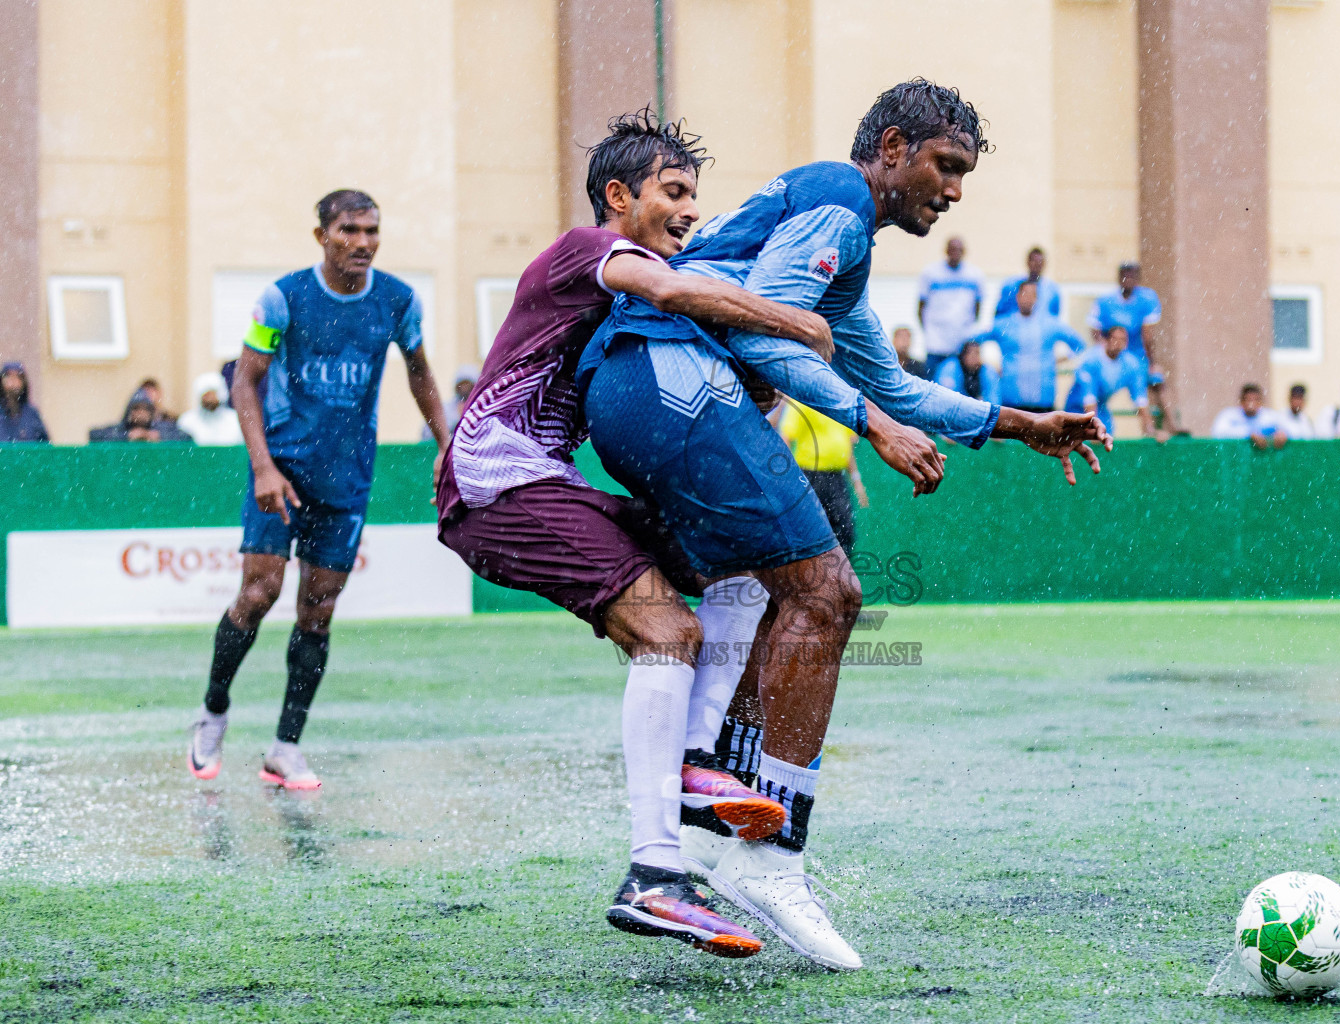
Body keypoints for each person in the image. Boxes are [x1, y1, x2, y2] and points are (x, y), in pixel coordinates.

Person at [579, 79, 1108, 971]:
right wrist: (874, 428)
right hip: (669, 381)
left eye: (965, 175)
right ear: (892, 147)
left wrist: (1020, 424)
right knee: (829, 593)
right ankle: (770, 857)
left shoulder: (838, 231)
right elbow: (766, 337)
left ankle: (714, 797)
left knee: (764, 588)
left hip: (640, 387)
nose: (954, 190)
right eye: (946, 166)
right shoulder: (840, 201)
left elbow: (894, 384)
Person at [435, 111, 895, 959]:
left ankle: (693, 770)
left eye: (695, 195)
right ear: (620, 197)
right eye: (674, 192)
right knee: (668, 630)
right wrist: (800, 323)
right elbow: (680, 293)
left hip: (548, 484)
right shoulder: (588, 250)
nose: (690, 211)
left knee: (745, 563)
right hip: (497, 487)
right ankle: (654, 875)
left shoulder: (638, 282)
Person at [186, 189, 450, 794]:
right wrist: (261, 467)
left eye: (372, 231)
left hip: (347, 480)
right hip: (280, 473)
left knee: (319, 611)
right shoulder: (283, 298)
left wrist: (446, 443)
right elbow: (244, 383)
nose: (362, 242)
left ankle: (285, 747)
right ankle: (214, 711)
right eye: (349, 230)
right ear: (322, 236)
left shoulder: (398, 301)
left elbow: (420, 373)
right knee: (258, 593)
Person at [973, 279, 1084, 413]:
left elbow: (1079, 344)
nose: (1028, 298)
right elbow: (973, 341)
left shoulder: (1050, 324)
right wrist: (988, 364)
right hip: (1011, 401)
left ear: (1037, 298)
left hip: (1043, 402)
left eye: (1032, 294)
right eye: (1024, 294)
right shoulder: (1004, 324)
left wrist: (1059, 360)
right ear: (1017, 297)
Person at [776, 398, 867, 555]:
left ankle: (840, 574)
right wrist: (788, 477)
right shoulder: (802, 400)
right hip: (810, 477)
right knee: (810, 531)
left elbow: (846, 445)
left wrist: (857, 481)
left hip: (837, 478)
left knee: (845, 529)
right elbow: (786, 437)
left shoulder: (839, 403)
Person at [1064, 326, 1154, 439]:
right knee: (1079, 440)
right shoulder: (1091, 361)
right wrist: (1092, 429)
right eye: (1115, 339)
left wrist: (1150, 431)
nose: (1118, 343)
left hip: (1101, 408)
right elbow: (1089, 399)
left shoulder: (1131, 365)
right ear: (1106, 340)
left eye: (1123, 340)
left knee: (1107, 436)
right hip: (1075, 408)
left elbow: (1141, 399)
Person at [916, 236, 986, 364]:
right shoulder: (930, 273)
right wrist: (930, 331)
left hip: (962, 344)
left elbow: (977, 307)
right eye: (952, 250)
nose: (955, 253)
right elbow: (921, 307)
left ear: (964, 252)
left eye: (959, 250)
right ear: (946, 251)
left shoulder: (975, 275)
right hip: (935, 344)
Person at [1088, 261, 1161, 364]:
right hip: (1111, 359)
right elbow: (1095, 330)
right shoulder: (1104, 301)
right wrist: (1107, 354)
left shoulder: (1147, 298)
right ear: (1119, 277)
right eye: (1125, 276)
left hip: (1138, 357)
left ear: (1138, 279)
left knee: (1155, 378)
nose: (1128, 280)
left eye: (1131, 276)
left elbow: (1147, 335)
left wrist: (1152, 362)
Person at [89, 389, 191, 442]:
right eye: (136, 409)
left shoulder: (160, 428)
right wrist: (127, 436)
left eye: (146, 409)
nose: (141, 413)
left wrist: (158, 437)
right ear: (129, 411)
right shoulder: (121, 429)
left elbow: (187, 438)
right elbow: (94, 435)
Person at [994, 245, 1061, 321]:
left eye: (1040, 262)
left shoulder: (1052, 291)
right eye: (1034, 261)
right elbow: (1000, 315)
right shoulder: (1011, 286)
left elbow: (1054, 319)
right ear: (1028, 262)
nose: (1036, 265)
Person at [1211, 384, 1287, 448]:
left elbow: (1288, 429)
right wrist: (1249, 434)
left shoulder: (1270, 416)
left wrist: (1282, 434)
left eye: (1256, 400)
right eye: (1248, 400)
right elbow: (1218, 433)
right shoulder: (1229, 415)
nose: (1251, 404)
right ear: (1241, 401)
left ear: (1261, 402)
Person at [177, 372, 244, 446]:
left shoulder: (235, 420)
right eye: (206, 395)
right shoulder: (187, 421)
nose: (210, 398)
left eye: (213, 394)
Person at [934, 339, 1001, 405]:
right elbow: (947, 398)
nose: (974, 358)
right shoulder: (949, 368)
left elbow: (994, 398)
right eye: (971, 354)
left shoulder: (987, 371)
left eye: (977, 353)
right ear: (963, 355)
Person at [423, 365, 478, 441]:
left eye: (468, 384)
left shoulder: (483, 408)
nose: (464, 388)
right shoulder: (444, 409)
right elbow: (426, 434)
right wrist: (453, 427)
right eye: (461, 384)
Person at [0, 362, 48, 443]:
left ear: (23, 382)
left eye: (18, 377)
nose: (13, 381)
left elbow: (45, 448)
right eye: (9, 376)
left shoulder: (32, 414)